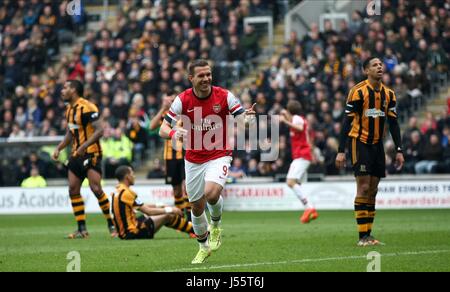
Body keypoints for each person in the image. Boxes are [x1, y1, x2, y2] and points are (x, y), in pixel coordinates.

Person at [159, 59, 256, 264]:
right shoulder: (182, 100)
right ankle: (203, 247)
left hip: (219, 153)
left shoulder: (224, 96)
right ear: (191, 78)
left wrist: (249, 119)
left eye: (208, 74)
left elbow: (242, 120)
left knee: (211, 193)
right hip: (193, 158)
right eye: (201, 75)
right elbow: (162, 129)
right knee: (195, 207)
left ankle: (216, 224)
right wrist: (175, 132)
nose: (206, 79)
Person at [336, 57, 404, 246]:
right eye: (375, 65)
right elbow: (346, 121)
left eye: (380, 64)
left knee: (373, 191)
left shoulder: (389, 94)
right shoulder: (358, 92)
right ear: (366, 71)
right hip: (360, 142)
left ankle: (369, 235)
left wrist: (399, 149)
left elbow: (394, 123)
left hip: (377, 145)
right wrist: (341, 150)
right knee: (364, 187)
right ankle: (362, 237)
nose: (379, 67)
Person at [52, 80, 117, 239]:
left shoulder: (88, 107)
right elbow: (71, 132)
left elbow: (100, 130)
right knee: (73, 189)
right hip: (76, 155)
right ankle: (82, 229)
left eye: (66, 88)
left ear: (73, 90)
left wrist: (83, 147)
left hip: (91, 153)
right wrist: (59, 147)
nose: (62, 90)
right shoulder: (69, 110)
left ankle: (112, 224)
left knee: (96, 189)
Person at [111, 166, 195, 240]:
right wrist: (171, 209)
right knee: (168, 215)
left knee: (161, 213)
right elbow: (148, 211)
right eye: (132, 174)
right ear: (127, 177)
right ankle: (194, 230)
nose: (134, 176)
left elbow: (143, 206)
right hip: (133, 233)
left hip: (126, 231)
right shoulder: (127, 193)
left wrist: (161, 205)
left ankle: (192, 228)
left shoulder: (117, 191)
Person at [149, 94, 192, 224]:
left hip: (185, 155)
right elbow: (151, 127)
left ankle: (190, 219)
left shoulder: (184, 113)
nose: (171, 102)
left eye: (173, 99)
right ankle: (180, 218)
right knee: (177, 190)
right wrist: (162, 109)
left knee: (187, 188)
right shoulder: (166, 115)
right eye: (168, 99)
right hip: (170, 157)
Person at [280, 100, 319, 223]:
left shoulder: (297, 119)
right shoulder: (297, 118)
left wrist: (285, 120)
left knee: (290, 182)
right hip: (302, 156)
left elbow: (300, 127)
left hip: (301, 156)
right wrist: (286, 116)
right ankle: (310, 208)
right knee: (297, 184)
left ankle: (310, 208)